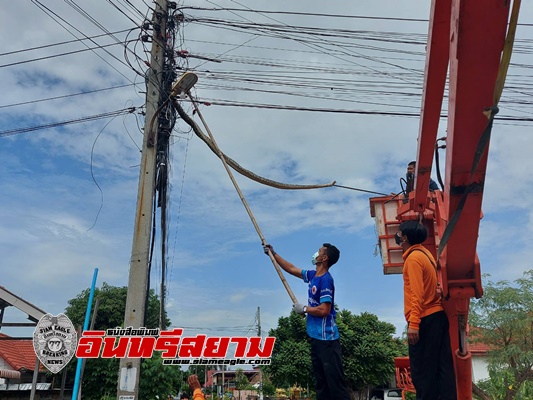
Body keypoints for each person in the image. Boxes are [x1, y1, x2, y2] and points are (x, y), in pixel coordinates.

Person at [263, 243, 351, 400]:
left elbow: (324, 310)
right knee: (321, 385)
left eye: (319, 251)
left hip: (328, 341)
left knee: (336, 386)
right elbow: (291, 269)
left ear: (324, 258)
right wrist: (273, 254)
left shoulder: (326, 281)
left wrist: (304, 309)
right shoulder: (312, 276)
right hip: (316, 339)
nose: (315, 253)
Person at [395, 220, 457, 400]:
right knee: (442, 371)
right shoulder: (427, 256)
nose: (397, 236)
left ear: (405, 237)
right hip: (437, 317)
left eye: (399, 234)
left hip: (425, 320)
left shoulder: (413, 259)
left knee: (423, 374)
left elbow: (417, 294)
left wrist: (414, 323)